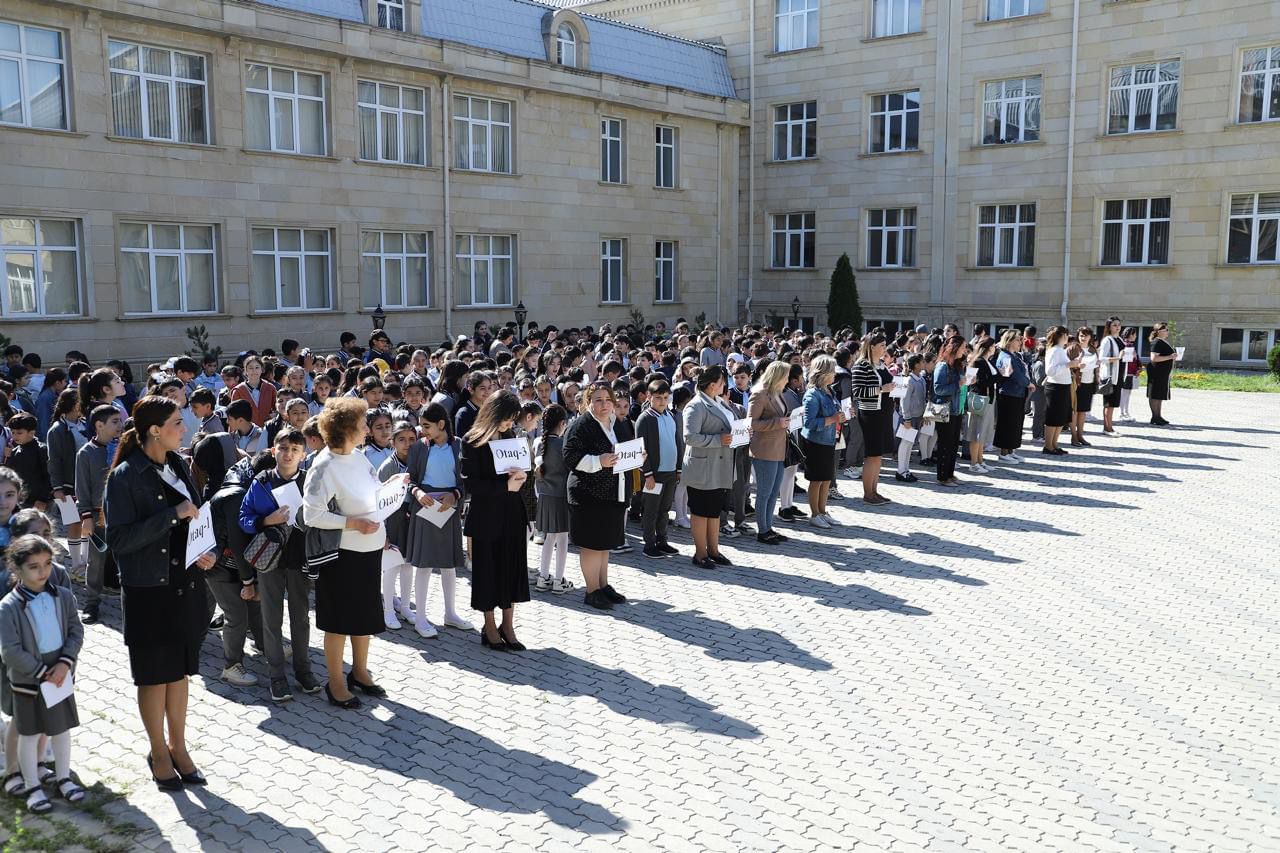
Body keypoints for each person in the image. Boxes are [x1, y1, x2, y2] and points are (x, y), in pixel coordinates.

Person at [103, 396, 217, 791]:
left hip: (183, 585)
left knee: (180, 673)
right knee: (154, 676)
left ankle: (179, 747)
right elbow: (118, 539)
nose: (183, 427)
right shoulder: (125, 476)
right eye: (175, 422)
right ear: (154, 429)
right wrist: (172, 515)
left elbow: (196, 517)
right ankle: (158, 751)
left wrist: (204, 550)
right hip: (148, 590)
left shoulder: (179, 464)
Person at [301, 397, 390, 709]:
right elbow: (311, 515)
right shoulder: (324, 467)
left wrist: (393, 486)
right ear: (347, 429)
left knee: (364, 616)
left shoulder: (359, 456)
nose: (368, 428)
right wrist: (352, 523)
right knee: (339, 621)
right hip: (343, 556)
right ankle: (336, 682)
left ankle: (360, 673)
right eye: (363, 424)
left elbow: (373, 491)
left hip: (369, 551)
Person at [0, 535, 86, 813]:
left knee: (60, 729)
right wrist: (40, 671)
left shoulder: (63, 596)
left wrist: (64, 663)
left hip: (59, 675)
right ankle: (32, 785)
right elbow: (9, 651)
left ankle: (63, 777)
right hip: (28, 680)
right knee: (30, 733)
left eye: (47, 564)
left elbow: (76, 631)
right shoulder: (8, 606)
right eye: (34, 566)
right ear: (17, 569)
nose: (43, 572)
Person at [238, 429, 321, 702]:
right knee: (271, 618)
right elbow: (244, 518)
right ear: (273, 451)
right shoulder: (261, 481)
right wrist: (266, 521)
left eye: (295, 449)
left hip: (299, 559)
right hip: (268, 558)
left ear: (303, 454)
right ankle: (276, 675)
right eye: (283, 448)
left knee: (301, 617)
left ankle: (303, 670)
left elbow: (322, 518)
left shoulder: (310, 482)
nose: (288, 454)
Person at [461, 392, 530, 650]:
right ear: (494, 415)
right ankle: (489, 625)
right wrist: (505, 486)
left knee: (511, 568)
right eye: (506, 419)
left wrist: (521, 478)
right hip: (486, 516)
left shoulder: (511, 437)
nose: (509, 424)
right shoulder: (472, 440)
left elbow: (518, 471)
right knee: (488, 571)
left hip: (512, 513)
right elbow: (471, 483)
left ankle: (508, 624)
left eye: (512, 420)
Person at [402, 407, 473, 636]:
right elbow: (410, 481)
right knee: (423, 565)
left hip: (448, 508)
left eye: (426, 426)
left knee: (448, 564)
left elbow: (465, 481)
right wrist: (418, 494)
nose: (422, 431)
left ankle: (450, 614)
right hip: (425, 508)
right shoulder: (418, 448)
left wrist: (455, 495)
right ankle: (421, 618)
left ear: (441, 424)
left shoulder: (459, 446)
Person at [563, 383, 631, 606]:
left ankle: (602, 585)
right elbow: (570, 457)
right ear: (588, 402)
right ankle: (591, 590)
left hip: (611, 493)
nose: (604, 404)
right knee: (592, 544)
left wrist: (636, 456)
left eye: (607, 399)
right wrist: (598, 461)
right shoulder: (581, 425)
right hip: (588, 494)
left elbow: (622, 451)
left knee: (604, 543)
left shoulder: (614, 423)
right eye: (598, 400)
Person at [681, 367, 738, 564]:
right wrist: (718, 440)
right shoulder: (696, 405)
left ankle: (714, 550)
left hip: (719, 465)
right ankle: (700, 553)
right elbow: (689, 437)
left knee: (714, 511)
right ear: (713, 384)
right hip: (702, 467)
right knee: (700, 511)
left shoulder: (719, 401)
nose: (725, 385)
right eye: (722, 381)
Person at [74, 405, 122, 624]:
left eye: (120, 421)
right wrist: (86, 517)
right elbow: (82, 489)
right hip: (97, 514)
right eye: (114, 422)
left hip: (122, 514)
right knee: (96, 562)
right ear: (99, 425)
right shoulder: (86, 453)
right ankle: (92, 602)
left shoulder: (122, 448)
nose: (119, 426)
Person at [635, 380, 682, 558]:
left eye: (665, 397)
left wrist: (678, 468)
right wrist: (647, 474)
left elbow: (677, 442)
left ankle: (662, 540)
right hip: (654, 474)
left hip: (670, 471)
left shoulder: (670, 415)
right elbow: (641, 449)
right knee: (651, 510)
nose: (662, 401)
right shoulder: (645, 418)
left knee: (665, 509)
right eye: (657, 398)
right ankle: (649, 544)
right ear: (649, 397)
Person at [747, 362, 791, 543]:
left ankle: (769, 526)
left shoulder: (777, 392)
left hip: (779, 448)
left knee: (774, 493)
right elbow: (751, 423)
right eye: (786, 375)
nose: (788, 379)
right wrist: (777, 423)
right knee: (764, 493)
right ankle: (762, 530)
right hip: (764, 450)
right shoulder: (759, 394)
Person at [849, 334, 896, 503]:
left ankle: (874, 491)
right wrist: (881, 389)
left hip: (883, 412)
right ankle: (868, 493)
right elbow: (858, 392)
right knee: (872, 454)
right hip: (870, 413)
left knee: (878, 455)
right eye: (882, 345)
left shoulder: (881, 364)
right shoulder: (862, 366)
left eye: (885, 344)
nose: (885, 348)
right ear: (871, 347)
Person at [533, 405, 574, 589]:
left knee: (549, 537)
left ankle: (543, 577)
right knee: (563, 538)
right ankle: (558, 580)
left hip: (544, 496)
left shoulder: (538, 443)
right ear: (562, 423)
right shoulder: (562, 444)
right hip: (561, 495)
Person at [801, 356, 843, 525]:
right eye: (832, 370)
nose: (835, 374)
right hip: (815, 442)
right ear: (824, 373)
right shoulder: (812, 394)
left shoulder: (830, 391)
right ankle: (814, 514)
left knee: (826, 478)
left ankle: (823, 511)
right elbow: (809, 422)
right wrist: (832, 419)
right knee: (816, 479)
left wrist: (840, 416)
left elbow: (834, 412)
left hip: (829, 440)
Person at [931, 336, 967, 486]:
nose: (964, 350)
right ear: (955, 347)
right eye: (963, 347)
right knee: (945, 444)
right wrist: (957, 385)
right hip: (945, 410)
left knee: (953, 444)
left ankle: (950, 474)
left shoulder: (956, 365)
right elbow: (938, 389)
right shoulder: (942, 366)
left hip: (956, 410)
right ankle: (942, 477)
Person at [993, 330, 1031, 464]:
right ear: (1009, 341)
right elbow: (1014, 375)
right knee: (1007, 424)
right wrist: (1028, 383)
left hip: (1017, 393)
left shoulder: (1015, 355)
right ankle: (1004, 453)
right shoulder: (1005, 356)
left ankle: (1011, 450)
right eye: (1018, 339)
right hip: (1008, 394)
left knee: (1015, 424)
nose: (1020, 342)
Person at [777, 364, 808, 522]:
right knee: (787, 472)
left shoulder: (792, 392)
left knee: (791, 472)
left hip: (793, 433)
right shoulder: (786, 394)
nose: (803, 381)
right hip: (786, 435)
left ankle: (788, 504)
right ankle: (784, 506)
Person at [1041, 326, 1077, 455]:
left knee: (1061, 417)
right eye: (1065, 335)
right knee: (1053, 417)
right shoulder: (1054, 350)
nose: (1067, 337)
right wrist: (1068, 365)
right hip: (1055, 387)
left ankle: (1054, 444)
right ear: (1060, 336)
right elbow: (1050, 371)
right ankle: (1048, 445)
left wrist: (1073, 365)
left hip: (1063, 386)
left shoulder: (1061, 350)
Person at [896, 354, 928, 483]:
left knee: (910, 444)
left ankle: (906, 469)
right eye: (922, 362)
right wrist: (906, 418)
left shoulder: (921, 379)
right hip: (909, 417)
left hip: (918, 416)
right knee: (905, 443)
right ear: (916, 365)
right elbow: (905, 400)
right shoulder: (909, 380)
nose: (924, 363)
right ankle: (901, 470)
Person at [1071, 327, 1100, 447]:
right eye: (1081, 335)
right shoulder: (1073, 348)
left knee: (1083, 411)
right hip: (1077, 383)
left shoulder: (1093, 349)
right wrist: (1077, 366)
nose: (1083, 338)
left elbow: (1096, 365)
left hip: (1089, 382)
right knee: (1075, 411)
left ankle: (1080, 435)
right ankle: (1074, 437)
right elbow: (1067, 365)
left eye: (1086, 335)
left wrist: (1097, 365)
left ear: (1090, 337)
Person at [229, 356, 277, 427]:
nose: (254, 371)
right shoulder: (238, 390)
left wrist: (272, 416)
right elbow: (233, 415)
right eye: (250, 368)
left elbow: (278, 408)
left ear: (262, 369)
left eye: (257, 367)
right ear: (245, 371)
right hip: (245, 432)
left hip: (267, 430)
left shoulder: (270, 388)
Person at [1097, 317, 1125, 436]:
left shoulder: (1119, 339)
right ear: (1109, 326)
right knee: (1109, 402)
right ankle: (1107, 428)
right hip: (1110, 375)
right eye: (1114, 325)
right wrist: (1118, 358)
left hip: (1119, 375)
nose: (1117, 327)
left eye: (1119, 325)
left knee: (1113, 403)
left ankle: (1110, 427)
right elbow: (1102, 358)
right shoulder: (1107, 340)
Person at [1146, 323, 1176, 426]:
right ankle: (1155, 416)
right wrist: (1170, 357)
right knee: (1155, 394)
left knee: (1159, 394)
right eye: (1165, 330)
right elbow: (1154, 358)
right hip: (1156, 372)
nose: (1167, 332)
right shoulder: (1156, 342)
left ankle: (1158, 416)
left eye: (1167, 330)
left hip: (1162, 373)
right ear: (1158, 331)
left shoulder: (1163, 342)